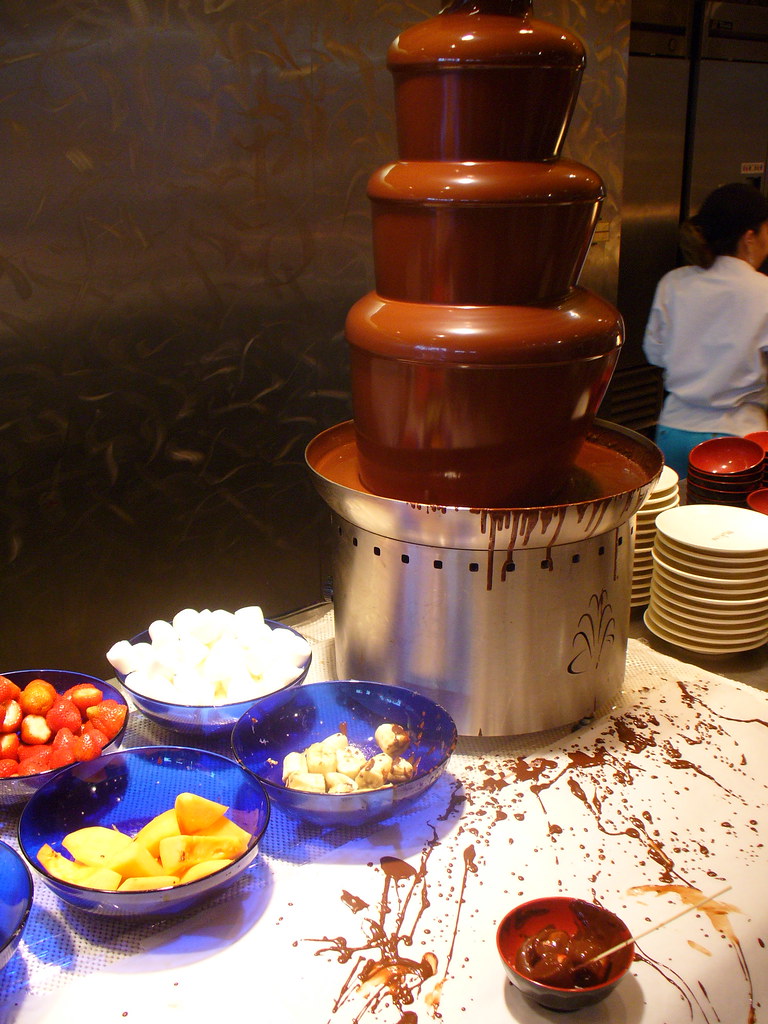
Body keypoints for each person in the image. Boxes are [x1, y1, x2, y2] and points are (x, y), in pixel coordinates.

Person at [642, 182, 768, 477]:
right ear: (749, 237)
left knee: (677, 519)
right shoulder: (763, 291)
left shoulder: (674, 283)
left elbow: (655, 353)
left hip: (673, 431)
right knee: (735, 523)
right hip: (739, 439)